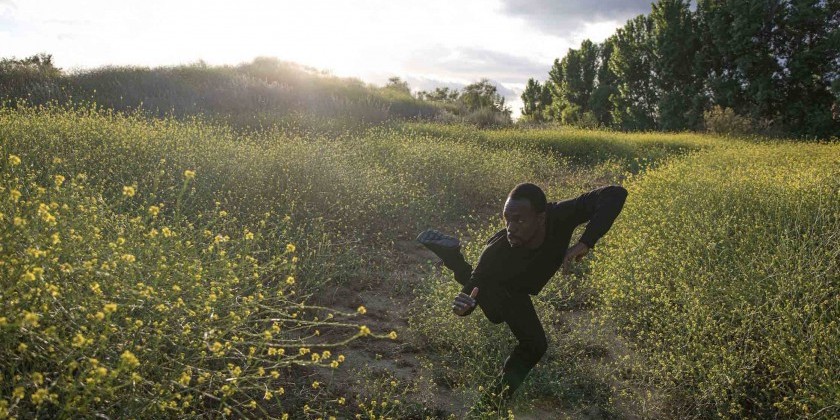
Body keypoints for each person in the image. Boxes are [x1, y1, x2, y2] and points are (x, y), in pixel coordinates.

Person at [416, 183, 627, 408]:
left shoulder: (560, 215)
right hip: (504, 284)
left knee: (531, 342)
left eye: (519, 220)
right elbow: (472, 290)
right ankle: (490, 406)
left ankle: (490, 406)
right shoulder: (496, 253)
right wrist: (463, 307)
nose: (511, 227)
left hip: (522, 286)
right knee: (505, 321)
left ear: (541, 218)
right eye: (507, 219)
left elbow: (615, 194)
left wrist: (586, 242)